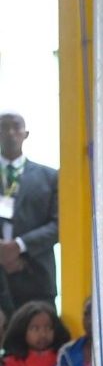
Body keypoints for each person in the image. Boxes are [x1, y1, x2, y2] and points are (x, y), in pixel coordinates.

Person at [0, 112, 59, 306]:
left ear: (26, 134)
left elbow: (59, 224)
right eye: (4, 127)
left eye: (16, 127)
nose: (10, 132)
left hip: (37, 276)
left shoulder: (50, 177)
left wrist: (19, 245)